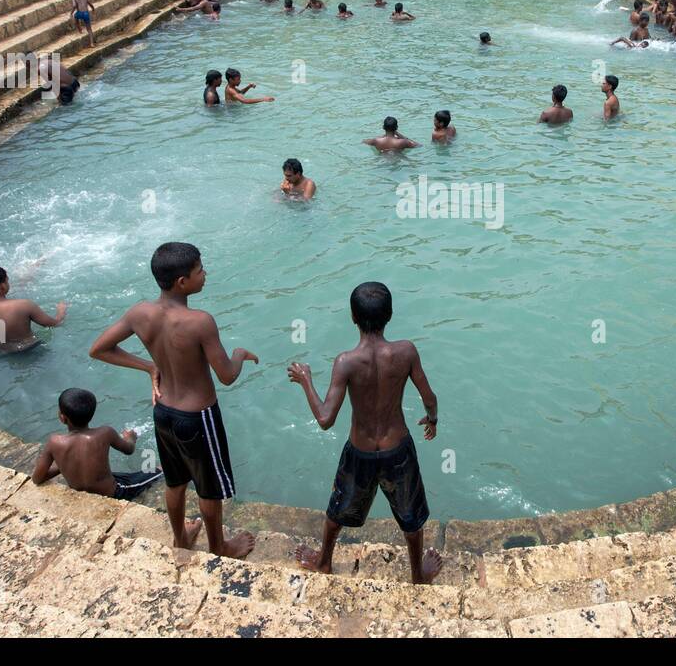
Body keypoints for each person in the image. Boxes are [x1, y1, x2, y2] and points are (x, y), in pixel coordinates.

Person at [89, 242, 258, 558]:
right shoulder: (199, 321)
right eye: (200, 271)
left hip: (164, 411)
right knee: (209, 488)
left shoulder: (140, 312)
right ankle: (219, 546)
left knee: (175, 481)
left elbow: (99, 349)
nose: (205, 274)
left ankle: (181, 538)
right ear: (183, 282)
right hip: (199, 417)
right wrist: (239, 355)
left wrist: (148, 366)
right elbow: (226, 376)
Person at [286, 282, 442, 584]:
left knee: (336, 513)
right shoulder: (406, 352)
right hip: (398, 449)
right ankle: (417, 576)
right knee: (410, 517)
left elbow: (325, 418)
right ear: (391, 315)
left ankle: (324, 562)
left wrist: (305, 379)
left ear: (353, 318)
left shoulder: (346, 362)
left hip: (361, 452)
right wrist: (432, 420)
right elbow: (430, 397)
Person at [32, 388, 169, 504]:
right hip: (116, 492)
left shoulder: (54, 442)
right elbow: (129, 450)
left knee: (113, 475)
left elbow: (37, 478)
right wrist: (131, 438)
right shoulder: (105, 433)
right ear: (92, 415)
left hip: (83, 492)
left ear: (62, 417)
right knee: (155, 470)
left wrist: (64, 463)